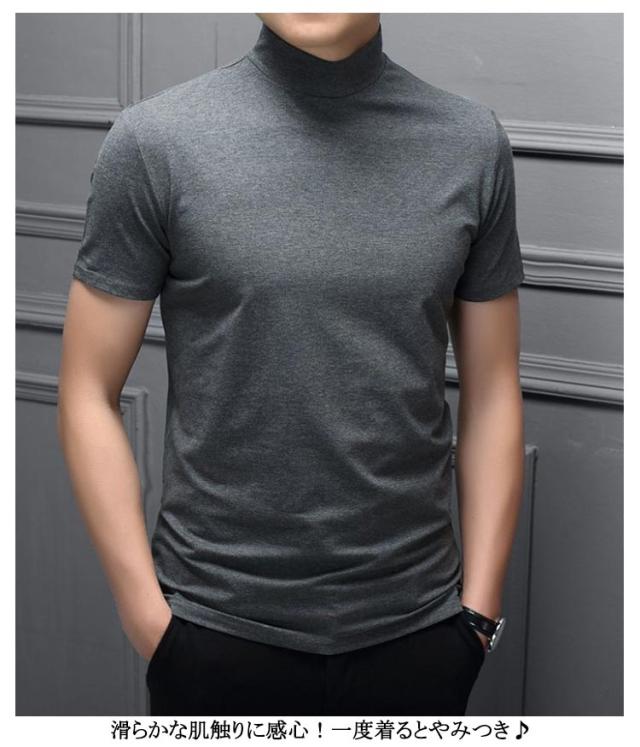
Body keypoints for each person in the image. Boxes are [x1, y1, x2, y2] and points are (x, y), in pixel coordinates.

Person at [58, 12, 525, 716]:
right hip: (211, 629)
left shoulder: (470, 143)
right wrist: (148, 619)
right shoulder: (155, 142)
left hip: (419, 633)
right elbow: (86, 389)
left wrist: (477, 619)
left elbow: (492, 389)